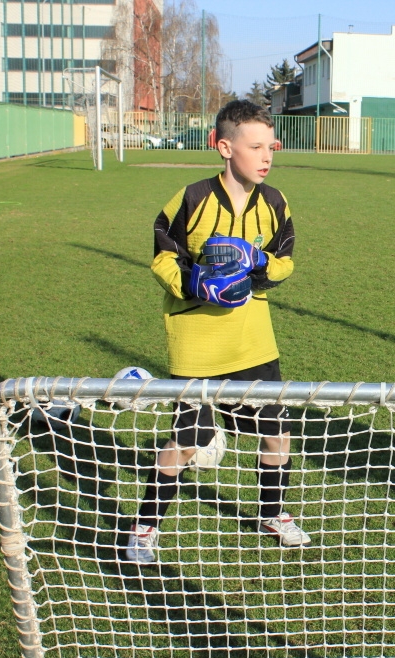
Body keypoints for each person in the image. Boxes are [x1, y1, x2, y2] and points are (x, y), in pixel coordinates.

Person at [124, 100, 309, 563]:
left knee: (276, 433)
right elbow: (161, 255)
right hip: (198, 346)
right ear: (224, 147)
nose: (267, 156)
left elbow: (286, 261)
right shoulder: (191, 199)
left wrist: (259, 263)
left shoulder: (275, 202)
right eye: (255, 146)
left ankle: (274, 514)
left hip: (253, 340)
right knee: (186, 443)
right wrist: (194, 282)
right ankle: (145, 527)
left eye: (272, 146)